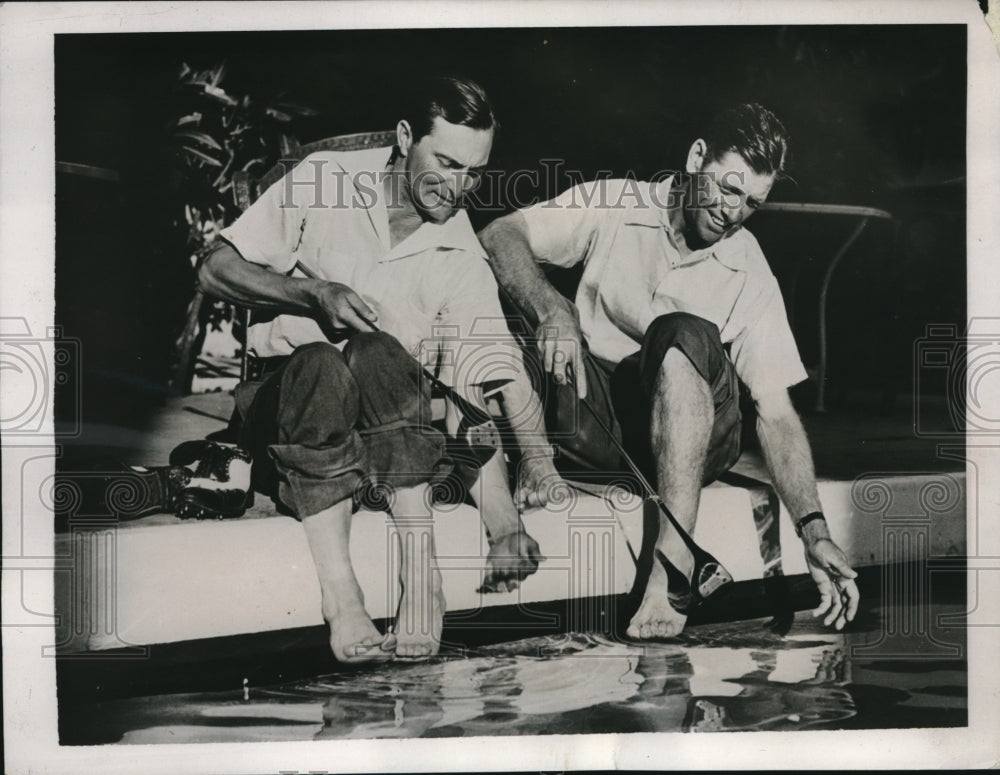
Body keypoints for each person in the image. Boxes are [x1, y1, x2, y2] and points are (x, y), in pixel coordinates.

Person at [199, 76, 558, 663]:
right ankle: (341, 595)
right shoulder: (324, 180)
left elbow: (479, 391)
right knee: (319, 360)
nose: (457, 186)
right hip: (285, 420)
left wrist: (506, 521)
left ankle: (423, 575)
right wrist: (311, 294)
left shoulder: (462, 252)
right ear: (404, 136)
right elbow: (215, 269)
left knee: (381, 352)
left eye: (474, 171)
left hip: (385, 444)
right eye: (445, 162)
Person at [478, 102, 860, 640]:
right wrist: (551, 307)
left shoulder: (749, 267)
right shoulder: (618, 203)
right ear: (696, 157)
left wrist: (813, 530)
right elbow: (500, 235)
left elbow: (776, 413)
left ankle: (670, 572)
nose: (734, 213)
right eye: (727, 190)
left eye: (753, 203)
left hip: (698, 432)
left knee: (680, 332)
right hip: (599, 418)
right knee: (487, 319)